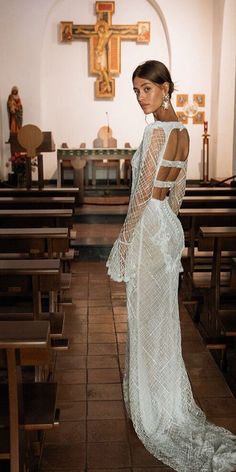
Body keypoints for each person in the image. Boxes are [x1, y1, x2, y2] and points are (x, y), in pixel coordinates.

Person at [106, 60, 236, 471]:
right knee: (161, 318)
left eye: (147, 89)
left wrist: (125, 240)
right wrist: (171, 229)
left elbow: (142, 193)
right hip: (166, 226)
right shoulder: (183, 131)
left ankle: (153, 407)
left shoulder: (156, 131)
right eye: (137, 91)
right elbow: (176, 189)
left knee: (146, 318)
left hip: (146, 227)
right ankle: (164, 397)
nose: (141, 97)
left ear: (165, 88)